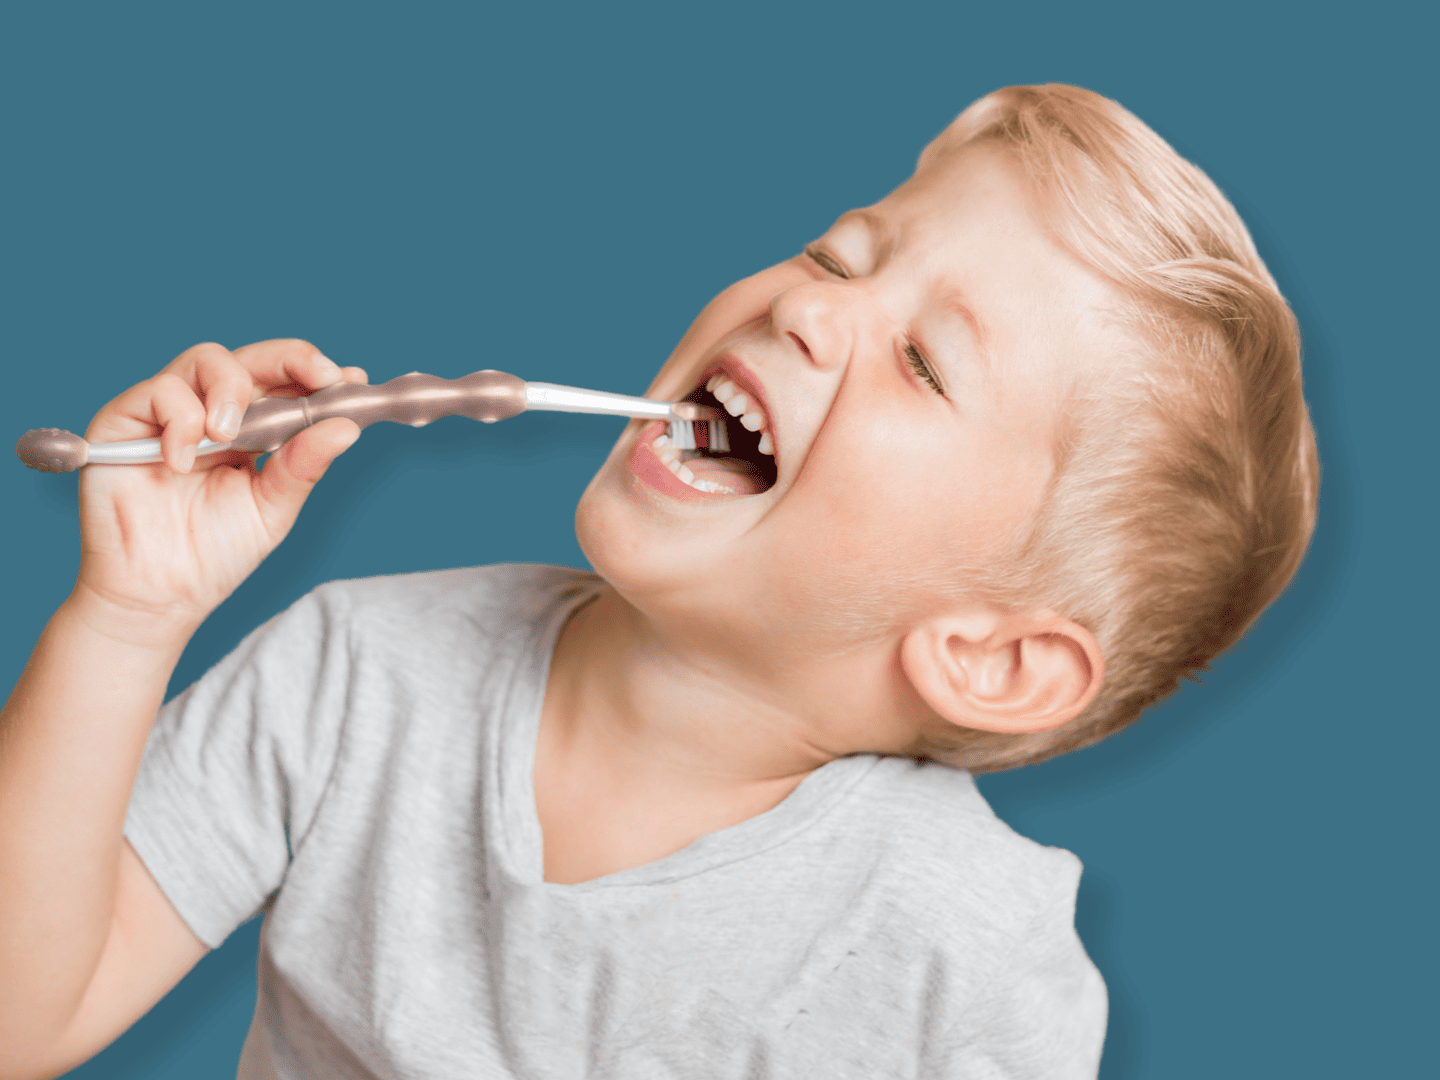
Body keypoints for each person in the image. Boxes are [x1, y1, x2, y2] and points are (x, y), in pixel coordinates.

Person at [0, 83, 1317, 1079]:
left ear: (988, 657)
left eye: (923, 363)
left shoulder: (959, 962)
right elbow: (21, 1015)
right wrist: (129, 616)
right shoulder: (356, 677)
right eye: (839, 257)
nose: (810, 310)